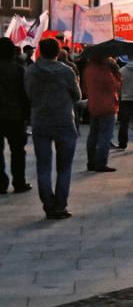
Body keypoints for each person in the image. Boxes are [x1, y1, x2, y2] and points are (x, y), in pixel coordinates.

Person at [24, 38, 80, 218]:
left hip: (40, 121)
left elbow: (29, 94)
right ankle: (60, 205)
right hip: (64, 120)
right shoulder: (66, 71)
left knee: (43, 166)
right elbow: (77, 95)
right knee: (64, 167)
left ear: (40, 51)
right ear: (57, 51)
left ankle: (48, 204)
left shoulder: (31, 71)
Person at [0, 38, 30, 195]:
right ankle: (19, 182)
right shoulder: (19, 70)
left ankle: (0, 184)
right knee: (18, 151)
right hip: (15, 116)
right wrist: (27, 115)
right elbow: (25, 95)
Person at [82, 56, 121, 173]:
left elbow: (85, 87)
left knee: (93, 134)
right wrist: (116, 72)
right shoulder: (104, 72)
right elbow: (116, 86)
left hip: (93, 104)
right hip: (107, 106)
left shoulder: (88, 70)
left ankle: (91, 162)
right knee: (105, 135)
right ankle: (101, 163)